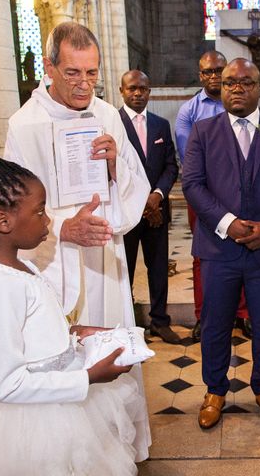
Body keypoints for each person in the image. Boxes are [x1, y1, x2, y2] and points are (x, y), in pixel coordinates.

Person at [0, 138, 149, 475]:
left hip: (58, 394)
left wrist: (77, 333)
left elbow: (37, 331)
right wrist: (88, 377)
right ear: (3, 222)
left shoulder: (21, 266)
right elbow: (9, 384)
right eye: (40, 211)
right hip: (33, 422)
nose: (48, 222)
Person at [3, 22, 151, 445]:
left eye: (92, 73)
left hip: (104, 255)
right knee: (59, 353)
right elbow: (12, 208)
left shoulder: (107, 115)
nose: (85, 84)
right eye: (73, 73)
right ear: (49, 67)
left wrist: (113, 164)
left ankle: (116, 448)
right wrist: (63, 228)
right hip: (52, 260)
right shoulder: (24, 125)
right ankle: (68, 452)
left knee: (110, 347)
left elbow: (134, 185)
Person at [183, 58, 260, 430]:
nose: (237, 88)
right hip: (219, 249)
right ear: (220, 87)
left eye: (246, 82)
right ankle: (215, 389)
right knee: (215, 323)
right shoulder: (202, 132)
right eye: (230, 82)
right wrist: (227, 223)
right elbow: (192, 184)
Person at [175, 50, 252, 342]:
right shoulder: (189, 111)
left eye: (219, 70)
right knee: (203, 256)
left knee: (244, 249)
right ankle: (203, 315)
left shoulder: (242, 101)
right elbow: (190, 158)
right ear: (200, 75)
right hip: (204, 194)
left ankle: (242, 315)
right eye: (207, 71)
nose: (213, 76)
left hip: (243, 192)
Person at [119, 69, 180, 344]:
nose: (137, 93)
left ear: (149, 92)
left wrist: (157, 195)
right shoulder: (113, 124)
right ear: (122, 91)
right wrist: (140, 200)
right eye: (132, 88)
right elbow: (113, 169)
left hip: (157, 210)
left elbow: (170, 165)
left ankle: (159, 321)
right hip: (126, 212)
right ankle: (128, 324)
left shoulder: (160, 125)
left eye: (142, 89)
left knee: (157, 267)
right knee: (125, 269)